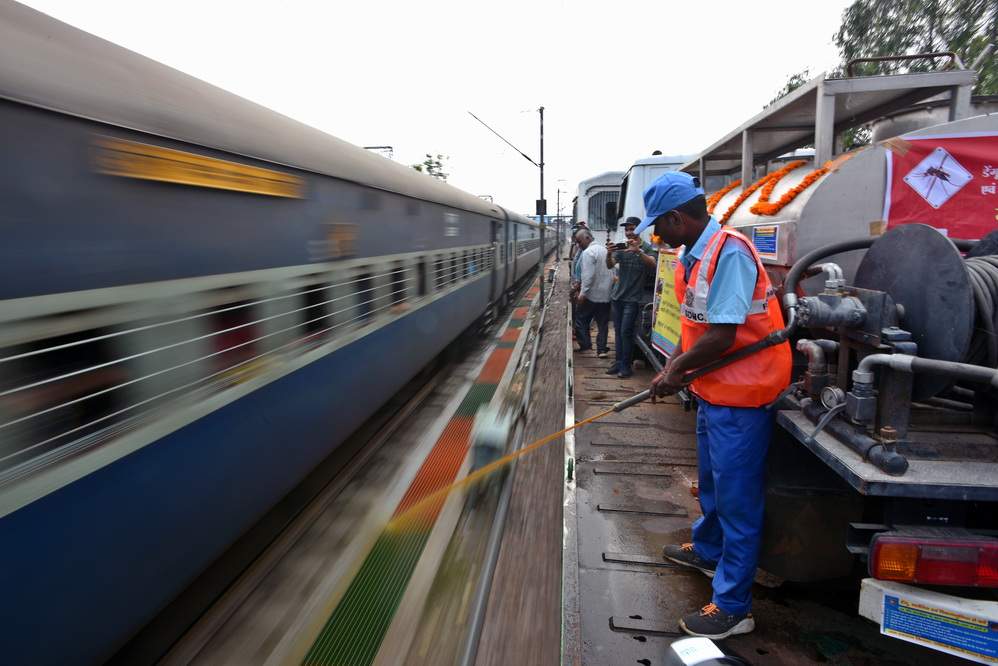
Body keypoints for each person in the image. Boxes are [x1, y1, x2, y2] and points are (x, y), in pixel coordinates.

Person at [636, 171, 791, 640]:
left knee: (738, 500)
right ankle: (707, 550)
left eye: (659, 226)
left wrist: (674, 370)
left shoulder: (731, 253)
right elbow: (700, 326)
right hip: (714, 390)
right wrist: (682, 370)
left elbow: (723, 334)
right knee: (712, 485)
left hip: (744, 394)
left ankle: (733, 606)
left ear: (678, 218)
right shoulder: (694, 255)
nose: (656, 236)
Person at [605, 217, 657, 378]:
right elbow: (609, 265)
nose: (629, 232)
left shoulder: (646, 248)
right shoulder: (622, 248)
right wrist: (609, 253)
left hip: (633, 299)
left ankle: (626, 366)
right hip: (617, 296)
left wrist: (638, 251)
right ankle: (619, 362)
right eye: (626, 229)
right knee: (619, 332)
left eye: (632, 229)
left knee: (626, 332)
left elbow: (654, 264)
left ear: (639, 229)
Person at [573, 229, 612, 355]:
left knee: (581, 319)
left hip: (591, 295)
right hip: (605, 294)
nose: (579, 245)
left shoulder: (588, 252)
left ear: (587, 238)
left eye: (579, 242)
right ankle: (601, 350)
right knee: (602, 324)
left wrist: (582, 293)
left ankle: (585, 345)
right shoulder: (604, 249)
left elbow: (587, 276)